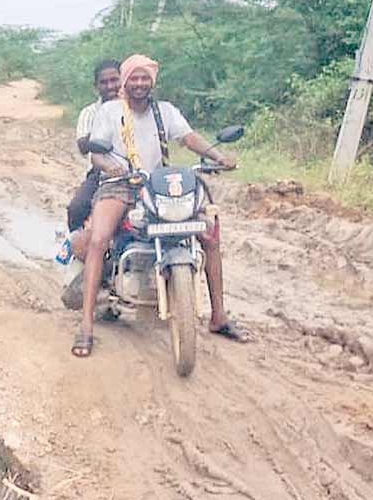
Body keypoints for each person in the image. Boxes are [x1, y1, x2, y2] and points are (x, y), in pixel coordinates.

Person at [70, 54, 251, 358]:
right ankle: (86, 324)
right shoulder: (110, 111)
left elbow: (188, 137)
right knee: (99, 239)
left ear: (152, 81)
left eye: (145, 78)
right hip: (120, 183)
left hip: (158, 184)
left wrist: (218, 158)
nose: (140, 84)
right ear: (125, 82)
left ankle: (218, 316)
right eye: (134, 79)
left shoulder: (165, 111)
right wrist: (111, 166)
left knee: (208, 234)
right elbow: (95, 152)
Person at [68, 59, 122, 233]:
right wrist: (104, 132)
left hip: (141, 169)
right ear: (96, 86)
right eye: (104, 82)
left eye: (115, 80)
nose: (110, 86)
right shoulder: (89, 113)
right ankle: (76, 249)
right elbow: (83, 146)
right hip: (102, 173)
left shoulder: (138, 107)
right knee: (77, 208)